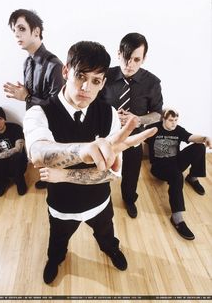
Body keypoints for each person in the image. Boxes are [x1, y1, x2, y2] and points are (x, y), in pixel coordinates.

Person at [23, 41, 157, 284]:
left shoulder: (110, 116)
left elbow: (111, 176)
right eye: (80, 76)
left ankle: (111, 250)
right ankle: (55, 259)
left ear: (103, 82)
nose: (86, 87)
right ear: (65, 71)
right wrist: (86, 151)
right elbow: (39, 152)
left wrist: (63, 175)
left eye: (96, 80)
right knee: (57, 244)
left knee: (107, 236)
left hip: (100, 203)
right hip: (61, 207)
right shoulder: (38, 113)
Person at [99, 32, 163, 218]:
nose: (130, 64)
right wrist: (111, 116)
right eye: (127, 58)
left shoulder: (152, 83)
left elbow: (158, 114)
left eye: (136, 59)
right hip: (106, 135)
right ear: (118, 53)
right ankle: (101, 200)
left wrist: (138, 119)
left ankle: (128, 199)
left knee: (131, 171)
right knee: (102, 167)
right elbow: (93, 103)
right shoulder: (105, 76)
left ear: (143, 59)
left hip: (134, 137)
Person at [3, 9, 65, 189]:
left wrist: (27, 96)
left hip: (51, 127)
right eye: (15, 31)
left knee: (53, 163)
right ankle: (47, 179)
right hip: (34, 122)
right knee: (41, 161)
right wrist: (24, 95)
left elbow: (57, 107)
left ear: (36, 31)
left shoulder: (54, 65)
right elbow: (30, 98)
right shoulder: (27, 62)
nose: (17, 35)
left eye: (22, 29)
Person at [145, 108, 212, 240]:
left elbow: (191, 137)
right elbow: (139, 138)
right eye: (171, 120)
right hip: (159, 167)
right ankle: (177, 218)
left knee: (199, 146)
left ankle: (192, 177)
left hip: (176, 162)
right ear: (163, 119)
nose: (174, 123)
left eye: (176, 120)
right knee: (176, 176)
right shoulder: (153, 128)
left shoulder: (178, 129)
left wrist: (205, 138)